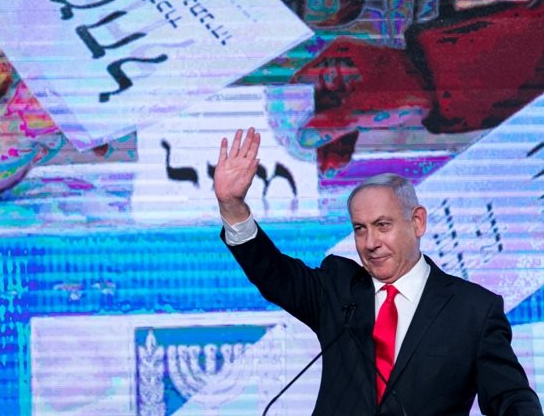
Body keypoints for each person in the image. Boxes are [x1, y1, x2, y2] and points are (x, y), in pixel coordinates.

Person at [213, 127, 543, 415]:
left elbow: (510, 395)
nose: (370, 243)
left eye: (383, 225)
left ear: (417, 222)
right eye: (360, 229)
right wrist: (232, 206)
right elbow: (273, 273)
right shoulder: (338, 288)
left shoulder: (473, 310)